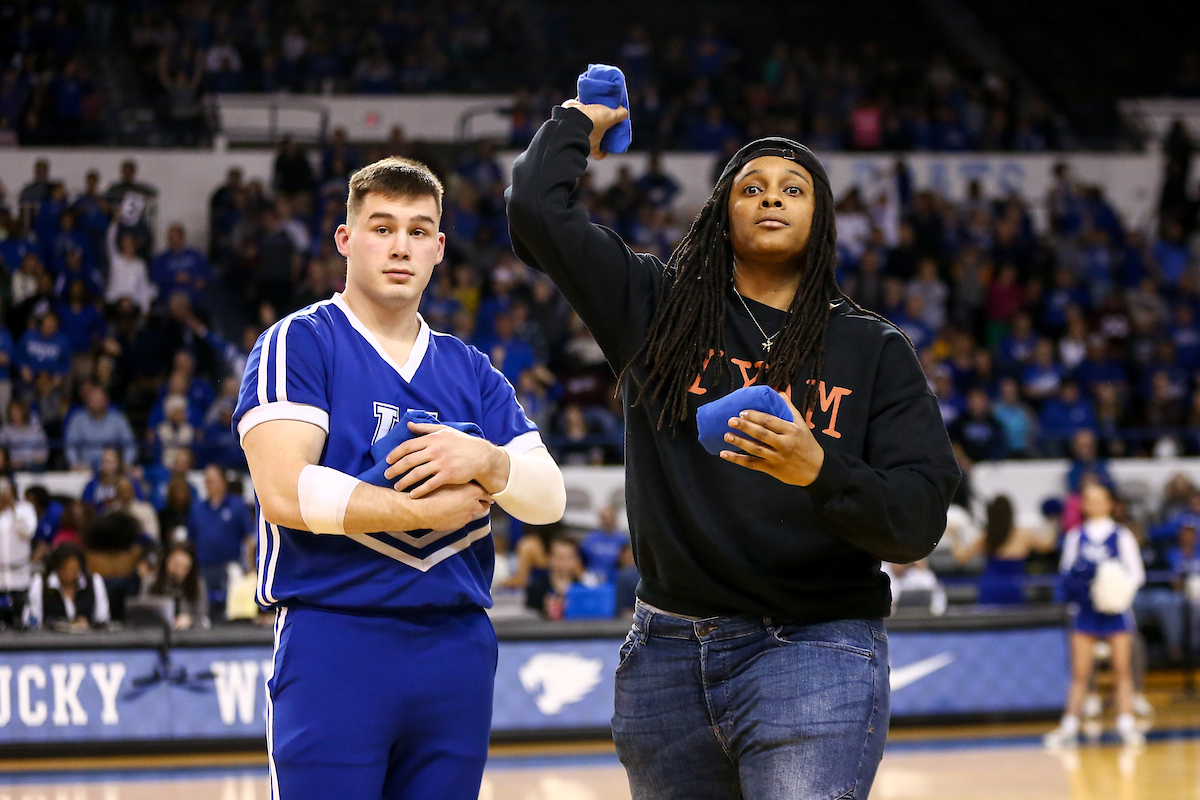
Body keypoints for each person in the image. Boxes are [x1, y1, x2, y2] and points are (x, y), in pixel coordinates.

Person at [508, 99, 959, 799]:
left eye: (792, 188)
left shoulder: (874, 350)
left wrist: (820, 470)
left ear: (822, 220)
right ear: (722, 213)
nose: (771, 196)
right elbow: (536, 209)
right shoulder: (655, 307)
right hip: (665, 655)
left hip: (816, 647)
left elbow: (918, 516)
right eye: (751, 187)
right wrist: (580, 122)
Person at [235, 156, 566, 800]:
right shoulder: (299, 342)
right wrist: (421, 512)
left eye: (418, 231)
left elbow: (548, 496)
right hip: (337, 635)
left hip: (457, 643)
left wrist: (488, 463)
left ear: (439, 248)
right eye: (381, 227)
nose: (400, 246)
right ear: (345, 239)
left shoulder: (469, 367)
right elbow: (283, 492)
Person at [1045, 481, 1146, 748]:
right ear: (1085, 505)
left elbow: (1137, 575)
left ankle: (1126, 724)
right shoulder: (1075, 536)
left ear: (1110, 503)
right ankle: (1069, 726)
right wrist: (1085, 590)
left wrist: (1116, 595)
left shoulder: (1121, 535)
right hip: (1086, 612)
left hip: (1115, 612)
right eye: (1090, 499)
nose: (1096, 504)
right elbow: (1066, 574)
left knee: (1122, 670)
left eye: (1101, 499)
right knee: (1080, 673)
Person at [186, 464, 254, 620]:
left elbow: (248, 539)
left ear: (223, 482)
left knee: (231, 607)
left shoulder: (237, 506)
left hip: (230, 566)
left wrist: (249, 567)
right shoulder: (197, 508)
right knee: (204, 606)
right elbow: (191, 540)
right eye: (206, 481)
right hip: (203, 567)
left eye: (212, 481)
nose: (208, 485)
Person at [23, 542, 111, 630]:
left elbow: (102, 620)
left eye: (74, 570)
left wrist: (88, 625)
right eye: (65, 569)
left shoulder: (94, 582)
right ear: (57, 568)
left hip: (86, 640)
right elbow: (32, 620)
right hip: (50, 641)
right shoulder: (41, 583)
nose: (69, 574)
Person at [143, 540, 208, 629]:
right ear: (166, 562)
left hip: (189, 635)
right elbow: (141, 615)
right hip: (155, 633)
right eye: (176, 565)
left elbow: (203, 618)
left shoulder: (198, 585)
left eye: (184, 567)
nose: (179, 571)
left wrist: (191, 620)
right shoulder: (150, 582)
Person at [0, 477, 39, 627]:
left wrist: (12, 507)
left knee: (20, 623)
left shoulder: (25, 509)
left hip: (19, 577)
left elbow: (28, 531)